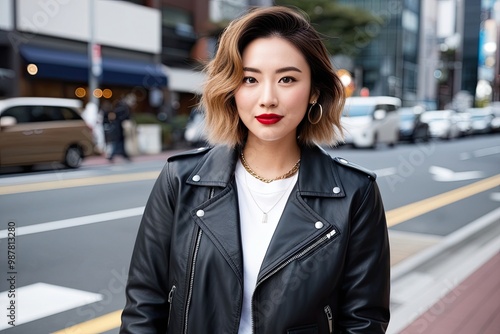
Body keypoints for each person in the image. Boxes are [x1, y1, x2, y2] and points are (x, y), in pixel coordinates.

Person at [121, 6, 390, 334]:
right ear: (232, 90)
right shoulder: (180, 180)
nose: (268, 98)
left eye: (287, 79)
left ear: (314, 91)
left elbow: (364, 322)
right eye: (250, 79)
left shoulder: (355, 194)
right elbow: (143, 306)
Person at [107, 94, 134, 162]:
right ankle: (113, 156)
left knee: (119, 142)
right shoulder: (123, 107)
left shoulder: (120, 107)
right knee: (118, 142)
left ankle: (123, 155)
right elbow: (125, 116)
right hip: (118, 127)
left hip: (118, 127)